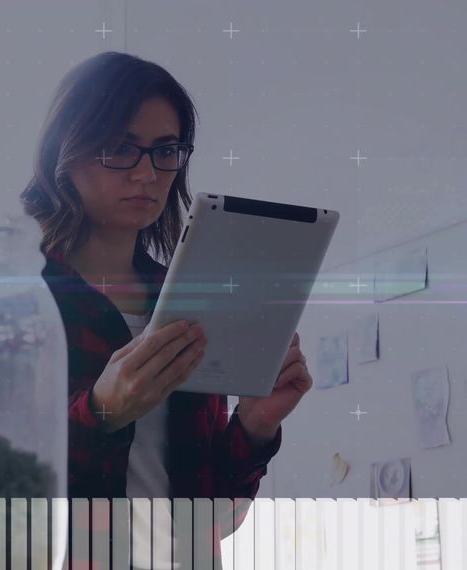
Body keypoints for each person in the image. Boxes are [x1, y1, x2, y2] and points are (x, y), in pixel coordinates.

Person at [20, 51, 314, 568]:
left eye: (165, 150)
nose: (147, 173)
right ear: (62, 154)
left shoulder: (189, 302)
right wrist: (102, 412)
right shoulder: (15, 300)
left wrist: (255, 425)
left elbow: (219, 517)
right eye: (120, 149)